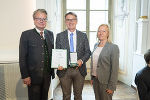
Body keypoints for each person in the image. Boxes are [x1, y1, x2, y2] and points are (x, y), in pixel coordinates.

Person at [19, 9, 54, 100]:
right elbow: (22, 57)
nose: (42, 21)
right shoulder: (26, 34)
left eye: (44, 19)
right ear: (34, 20)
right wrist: (25, 75)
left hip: (47, 75)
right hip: (33, 76)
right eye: (39, 18)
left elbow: (52, 53)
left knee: (44, 97)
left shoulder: (50, 34)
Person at [56, 12, 91, 100]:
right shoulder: (59, 36)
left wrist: (81, 61)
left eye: (73, 19)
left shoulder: (83, 36)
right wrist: (58, 63)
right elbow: (58, 53)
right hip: (64, 71)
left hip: (79, 70)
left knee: (78, 96)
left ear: (76, 21)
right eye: (68, 19)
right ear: (65, 21)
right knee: (66, 96)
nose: (70, 22)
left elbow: (88, 52)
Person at [90, 24, 119, 100]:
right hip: (95, 80)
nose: (101, 33)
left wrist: (111, 86)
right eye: (99, 31)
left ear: (108, 33)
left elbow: (115, 69)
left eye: (104, 31)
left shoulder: (113, 47)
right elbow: (94, 62)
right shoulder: (96, 45)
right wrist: (92, 77)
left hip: (106, 82)